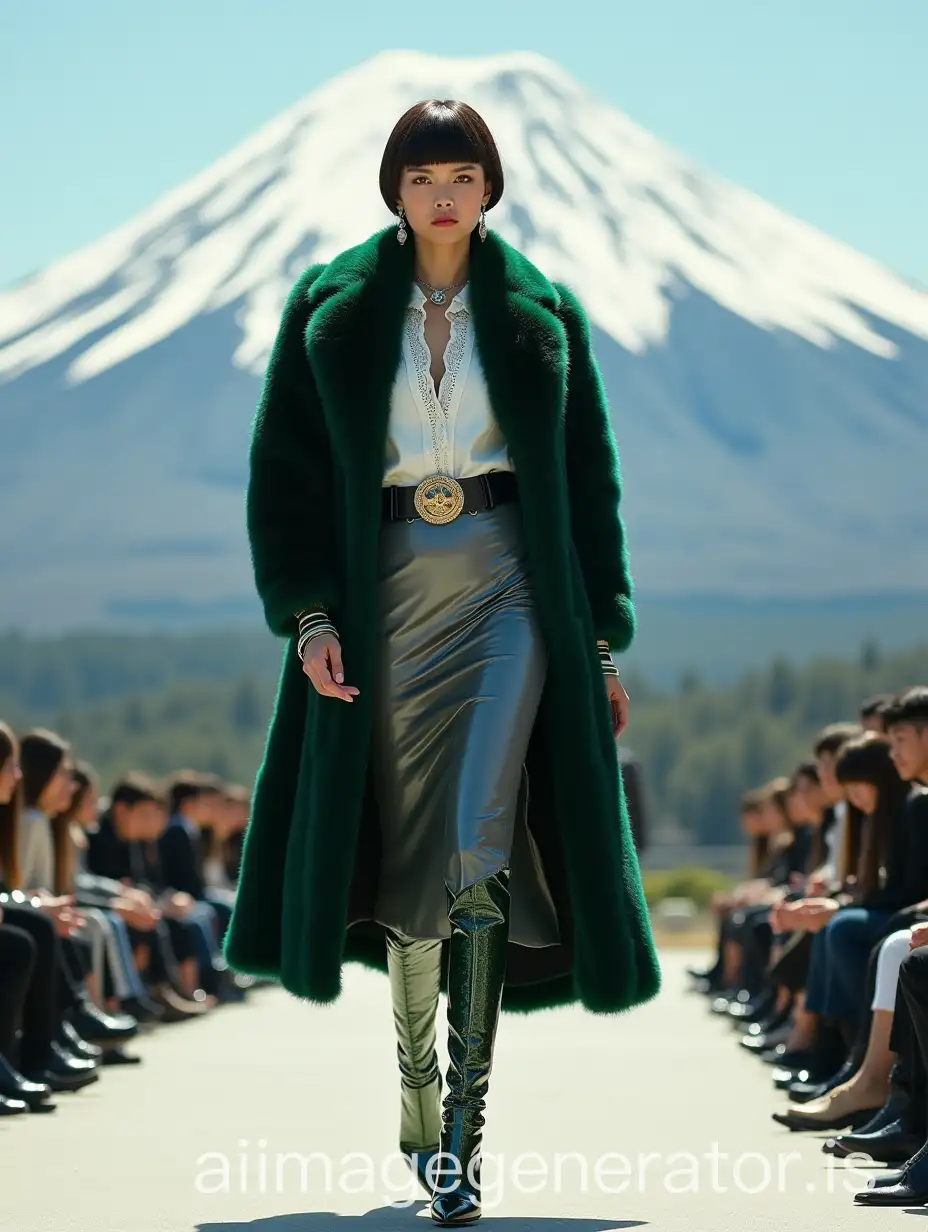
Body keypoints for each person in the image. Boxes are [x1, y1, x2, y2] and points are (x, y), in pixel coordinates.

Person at [223, 97, 660, 1225]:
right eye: (423, 174)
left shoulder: (542, 313)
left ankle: (465, 1129)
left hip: (513, 581)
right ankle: (414, 1076)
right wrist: (310, 618)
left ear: (490, 185)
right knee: (409, 864)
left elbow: (591, 483)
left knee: (476, 838)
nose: (444, 191)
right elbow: (285, 476)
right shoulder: (326, 306)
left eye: (463, 171)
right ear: (394, 189)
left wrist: (598, 633)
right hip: (382, 597)